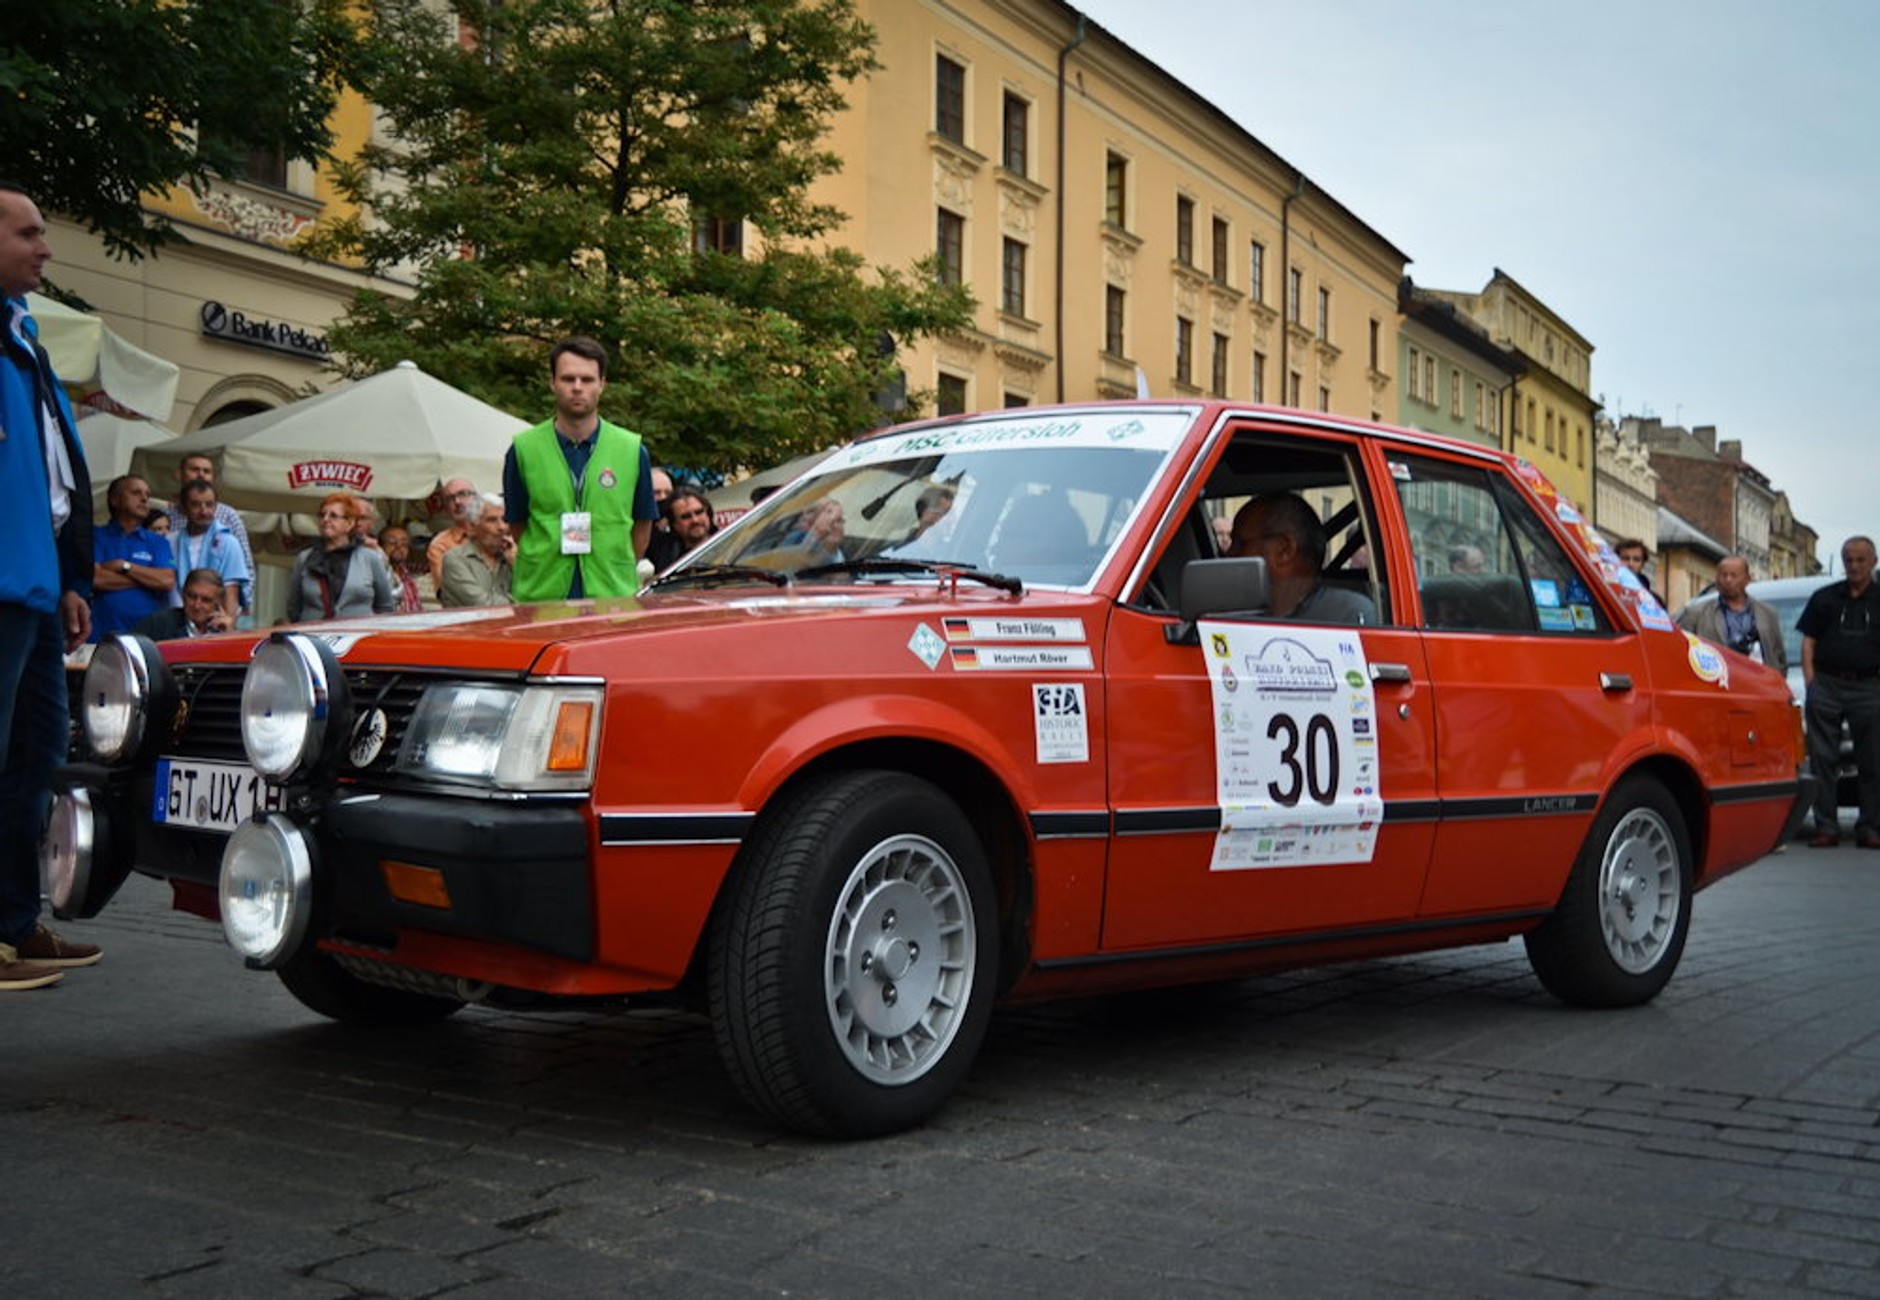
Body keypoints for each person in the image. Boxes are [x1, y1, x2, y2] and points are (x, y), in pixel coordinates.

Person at [0, 181, 102, 990]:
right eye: (30, 233)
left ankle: (14, 923)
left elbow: (54, 473)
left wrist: (72, 575)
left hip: (35, 585)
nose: (46, 248)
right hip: (3, 585)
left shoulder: (23, 336)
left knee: (36, 757)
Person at [503, 337, 656, 600]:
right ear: (552, 382)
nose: (577, 387)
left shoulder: (632, 450)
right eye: (567, 378)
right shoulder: (523, 449)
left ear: (602, 384)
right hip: (542, 593)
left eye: (587, 380)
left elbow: (642, 525)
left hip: (611, 593)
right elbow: (518, 524)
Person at [1797, 536, 1880, 849]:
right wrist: (1811, 683)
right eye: (1849, 560)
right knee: (1822, 759)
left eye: (1861, 560)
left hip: (1870, 686)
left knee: (1872, 760)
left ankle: (1871, 827)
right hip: (1827, 686)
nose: (1854, 566)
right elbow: (1809, 642)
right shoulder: (1825, 598)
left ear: (1873, 562)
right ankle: (1826, 827)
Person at [1225, 491, 1376, 624]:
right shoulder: (1229, 611)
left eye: (1240, 544)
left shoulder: (1348, 615)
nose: (1228, 555)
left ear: (1284, 550)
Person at [90, 473, 175, 641]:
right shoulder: (95, 536)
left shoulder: (158, 542)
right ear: (115, 500)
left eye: (147, 495)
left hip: (148, 635)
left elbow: (166, 581)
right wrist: (147, 580)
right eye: (136, 493)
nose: (144, 499)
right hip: (101, 632)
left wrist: (124, 566)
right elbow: (95, 579)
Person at [286, 492, 396, 621]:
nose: (326, 519)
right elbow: (294, 607)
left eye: (333, 516)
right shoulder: (304, 558)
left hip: (357, 636)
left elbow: (385, 606)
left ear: (349, 523)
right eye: (322, 515)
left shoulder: (370, 558)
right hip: (313, 636)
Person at [165, 452, 253, 608]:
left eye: (206, 471)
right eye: (195, 469)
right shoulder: (167, 521)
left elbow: (243, 568)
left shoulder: (229, 519)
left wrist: (240, 607)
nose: (203, 510)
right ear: (179, 474)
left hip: (217, 611)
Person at [1677, 554, 1786, 674]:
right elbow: (1680, 651)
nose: (1728, 580)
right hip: (1716, 684)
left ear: (1747, 580)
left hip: (1758, 685)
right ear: (1717, 579)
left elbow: (1779, 656)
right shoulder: (1696, 613)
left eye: (1734, 576)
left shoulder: (1766, 614)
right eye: (1723, 575)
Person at [170, 478, 249, 622]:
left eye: (209, 505)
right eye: (195, 505)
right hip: (175, 622)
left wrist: (227, 628)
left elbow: (231, 593)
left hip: (212, 624)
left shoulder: (229, 543)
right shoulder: (170, 541)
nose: (204, 511)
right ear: (183, 508)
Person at [439, 495, 516, 607]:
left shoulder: (511, 556)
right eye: (491, 520)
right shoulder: (455, 559)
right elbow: (481, 605)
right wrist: (522, 604)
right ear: (471, 528)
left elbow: (535, 593)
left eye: (505, 519)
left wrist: (517, 566)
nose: (502, 527)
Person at [133, 569, 232, 639]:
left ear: (218, 603)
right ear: (183, 595)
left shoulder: (224, 629)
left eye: (206, 600)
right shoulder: (157, 624)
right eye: (192, 597)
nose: (197, 606)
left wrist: (230, 635)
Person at [427, 477, 480, 587]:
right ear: (445, 508)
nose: (457, 502)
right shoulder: (440, 545)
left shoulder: (496, 532)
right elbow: (447, 590)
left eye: (463, 494)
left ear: (476, 498)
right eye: (450, 498)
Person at [646, 488, 714, 571]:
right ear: (674, 524)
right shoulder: (665, 553)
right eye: (686, 516)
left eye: (699, 512)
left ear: (708, 514)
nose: (695, 520)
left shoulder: (727, 540)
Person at [378, 524, 425, 614]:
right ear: (380, 547)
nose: (398, 546)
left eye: (404, 543)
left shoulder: (409, 581)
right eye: (392, 542)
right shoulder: (377, 576)